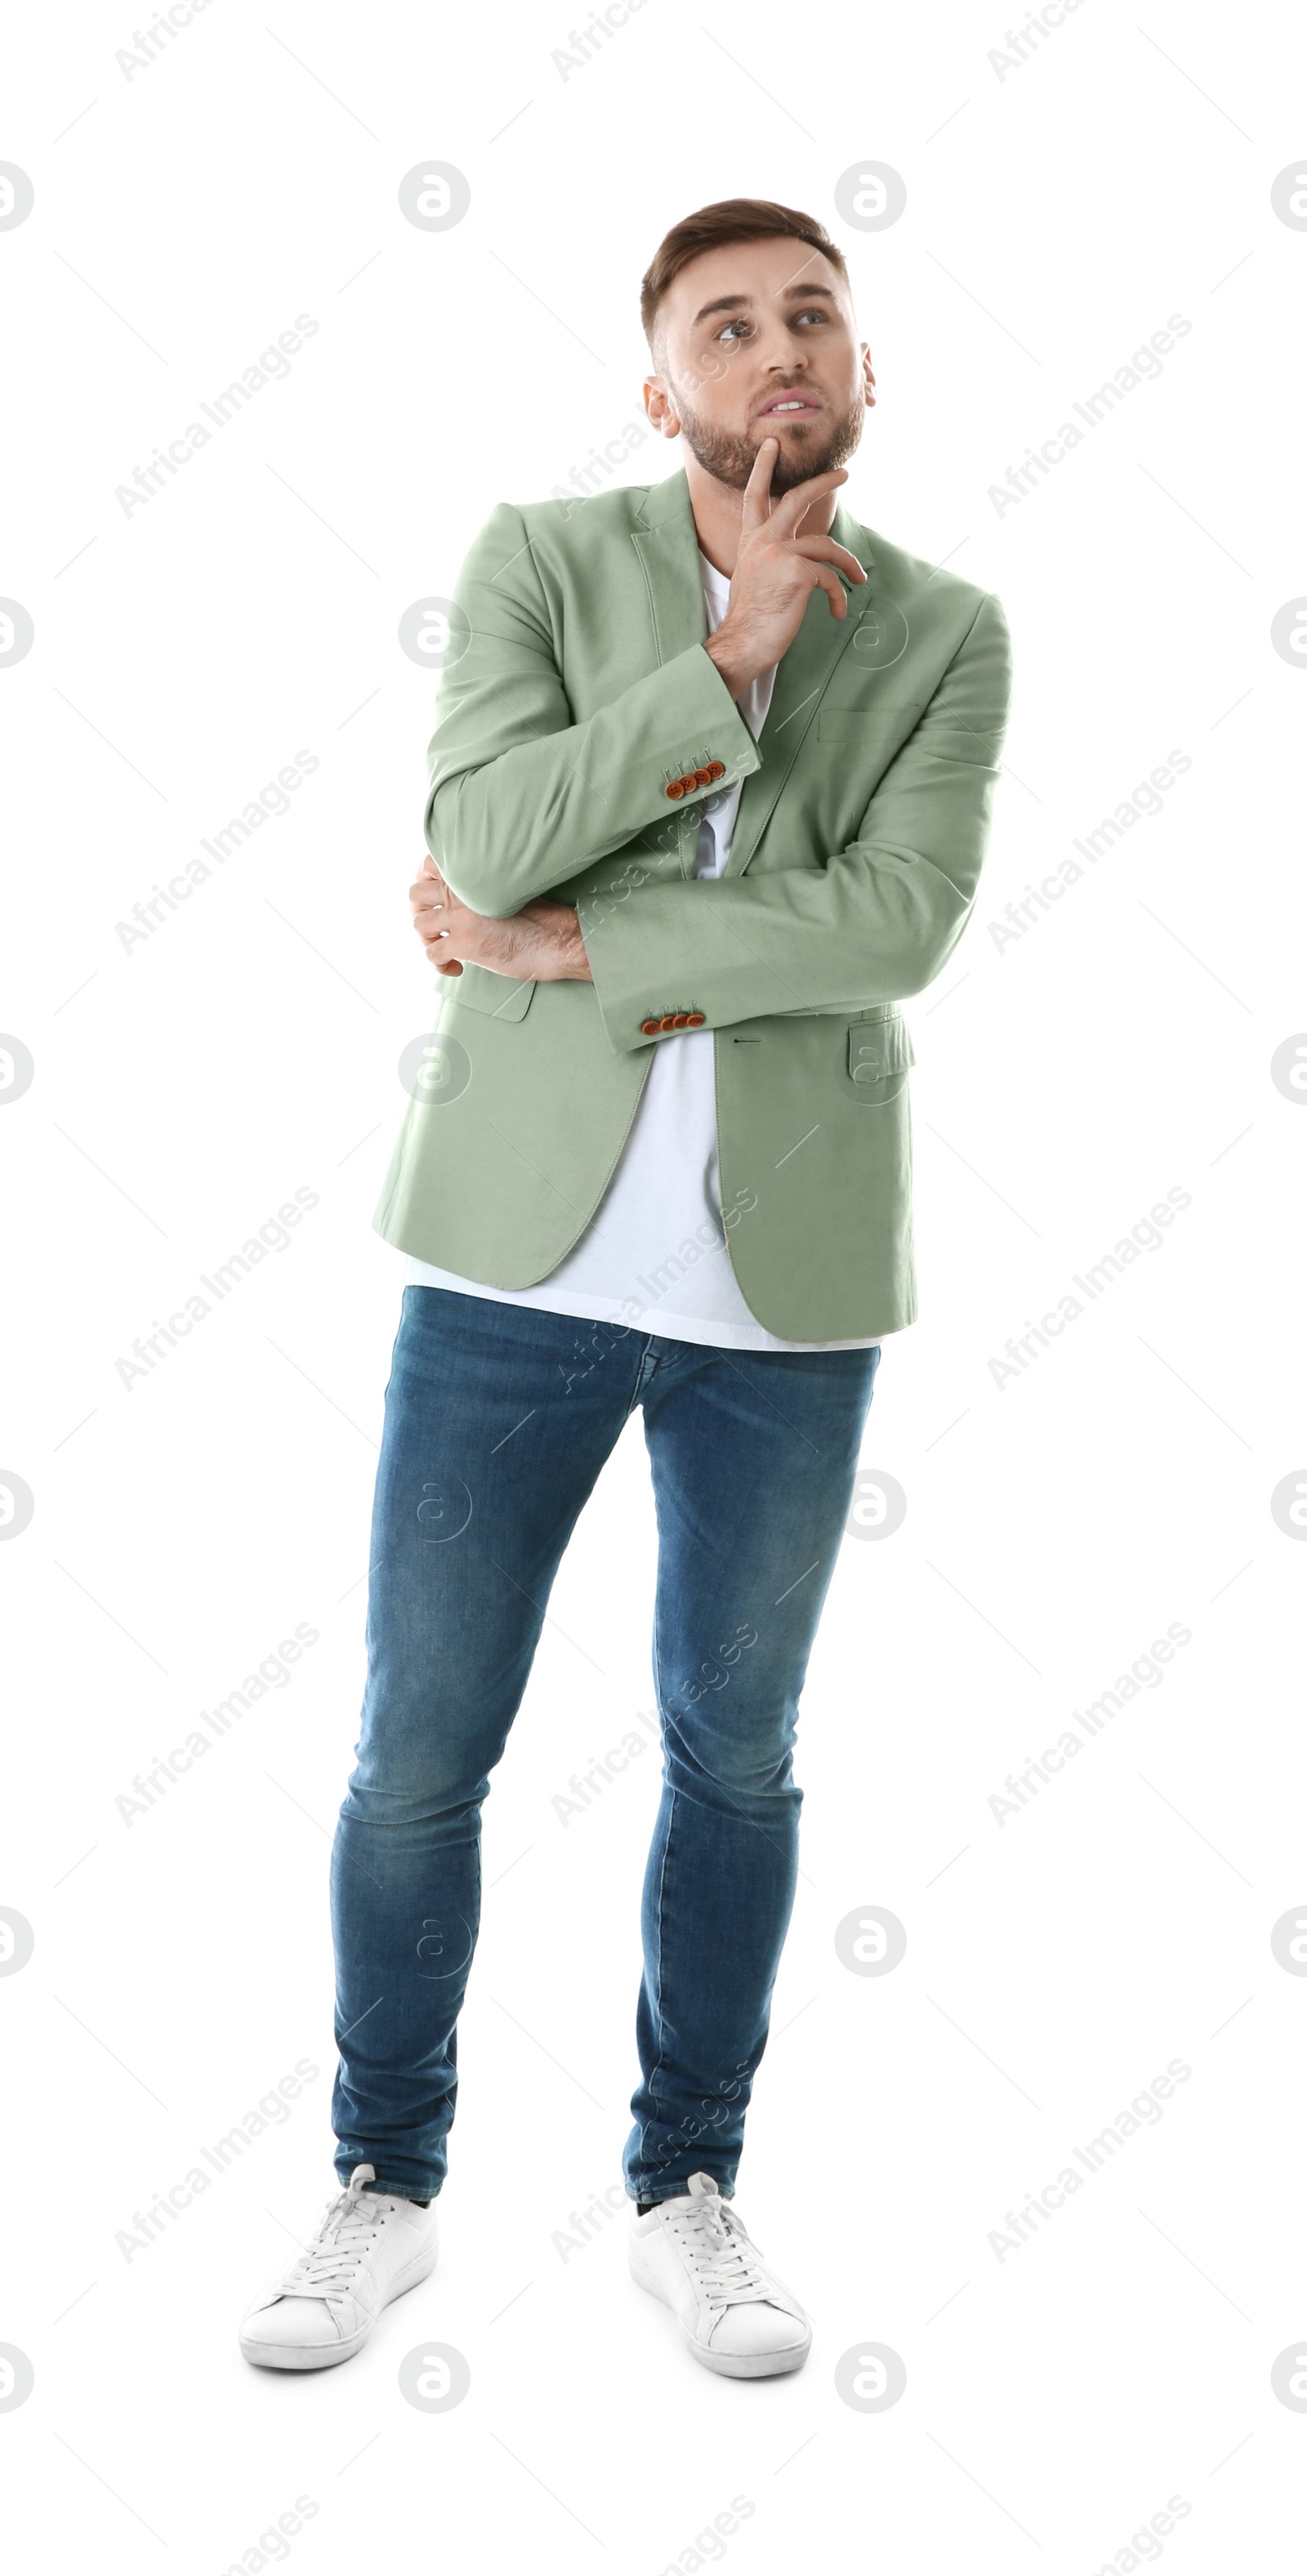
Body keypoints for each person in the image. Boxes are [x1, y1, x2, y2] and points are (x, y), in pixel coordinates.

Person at [239, 195, 1012, 2380]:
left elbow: (889, 925)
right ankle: (383, 2179)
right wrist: (728, 669)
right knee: (416, 1750)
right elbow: (475, 842)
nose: (780, 353)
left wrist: (586, 943)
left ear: (867, 375)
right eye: (728, 326)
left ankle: (690, 2182)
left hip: (793, 1289)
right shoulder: (542, 563)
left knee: (736, 1755)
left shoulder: (952, 631)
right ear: (659, 382)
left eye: (816, 320)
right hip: (515, 1262)